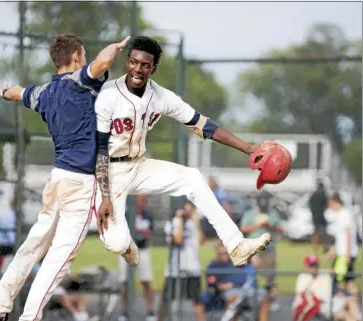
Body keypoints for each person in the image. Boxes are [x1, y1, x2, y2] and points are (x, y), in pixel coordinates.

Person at [0, 33, 131, 321]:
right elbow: (103, 62)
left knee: (35, 242)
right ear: (76, 57)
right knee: (59, 258)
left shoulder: (43, 93)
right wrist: (116, 46)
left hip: (57, 179)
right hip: (79, 183)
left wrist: (6, 91)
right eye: (83, 55)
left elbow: (18, 93)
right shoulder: (81, 82)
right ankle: (29, 317)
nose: (86, 59)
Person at [94, 35, 271, 271]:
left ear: (153, 68)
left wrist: (249, 149)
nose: (138, 69)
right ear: (127, 61)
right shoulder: (108, 95)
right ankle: (126, 246)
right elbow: (101, 150)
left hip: (138, 165)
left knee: (193, 178)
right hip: (109, 173)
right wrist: (105, 195)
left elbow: (203, 125)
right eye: (134, 62)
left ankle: (236, 245)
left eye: (145, 65)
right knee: (117, 243)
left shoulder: (161, 97)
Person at [158, 201, 205, 321]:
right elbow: (178, 240)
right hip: (175, 268)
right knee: (166, 299)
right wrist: (180, 221)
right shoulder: (173, 223)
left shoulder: (193, 223)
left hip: (192, 267)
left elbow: (201, 241)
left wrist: (196, 222)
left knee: (197, 300)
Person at [206, 245, 270, 321]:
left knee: (265, 297)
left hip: (246, 289)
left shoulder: (236, 261)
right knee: (234, 299)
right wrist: (222, 286)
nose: (224, 256)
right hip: (230, 291)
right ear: (217, 254)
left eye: (226, 253)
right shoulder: (214, 265)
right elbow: (211, 283)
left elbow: (256, 262)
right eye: (221, 253)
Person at [240, 195, 282, 311]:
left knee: (270, 275)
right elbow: (243, 228)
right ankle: (251, 297)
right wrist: (257, 225)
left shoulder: (272, 213)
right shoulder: (249, 214)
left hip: (268, 248)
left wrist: (269, 225)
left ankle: (271, 299)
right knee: (252, 273)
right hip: (254, 248)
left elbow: (280, 228)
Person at [118, 194, 156, 321]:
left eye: (143, 200)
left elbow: (149, 233)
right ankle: (124, 311)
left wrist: (142, 232)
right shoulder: (126, 213)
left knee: (146, 281)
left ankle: (151, 310)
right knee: (124, 281)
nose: (142, 202)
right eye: (140, 200)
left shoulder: (148, 215)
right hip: (127, 250)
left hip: (142, 249)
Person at [292, 254, 361, 321]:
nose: (314, 268)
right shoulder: (303, 277)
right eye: (311, 266)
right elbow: (304, 295)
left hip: (332, 299)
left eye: (315, 265)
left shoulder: (324, 274)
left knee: (352, 301)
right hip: (322, 304)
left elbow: (334, 287)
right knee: (345, 314)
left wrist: (343, 295)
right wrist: (313, 279)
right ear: (306, 266)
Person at [325, 193, 359, 296]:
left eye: (330, 204)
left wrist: (347, 255)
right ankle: (351, 307)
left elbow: (348, 234)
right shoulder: (340, 214)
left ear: (336, 202)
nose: (329, 207)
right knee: (349, 281)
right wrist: (332, 252)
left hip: (345, 255)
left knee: (341, 282)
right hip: (343, 253)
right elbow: (341, 239)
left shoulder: (345, 214)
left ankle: (344, 306)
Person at [308, 181, 328, 256]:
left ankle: (314, 249)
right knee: (324, 233)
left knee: (315, 233)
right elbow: (327, 205)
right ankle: (324, 248)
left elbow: (310, 204)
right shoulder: (323, 195)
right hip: (322, 216)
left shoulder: (313, 195)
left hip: (315, 216)